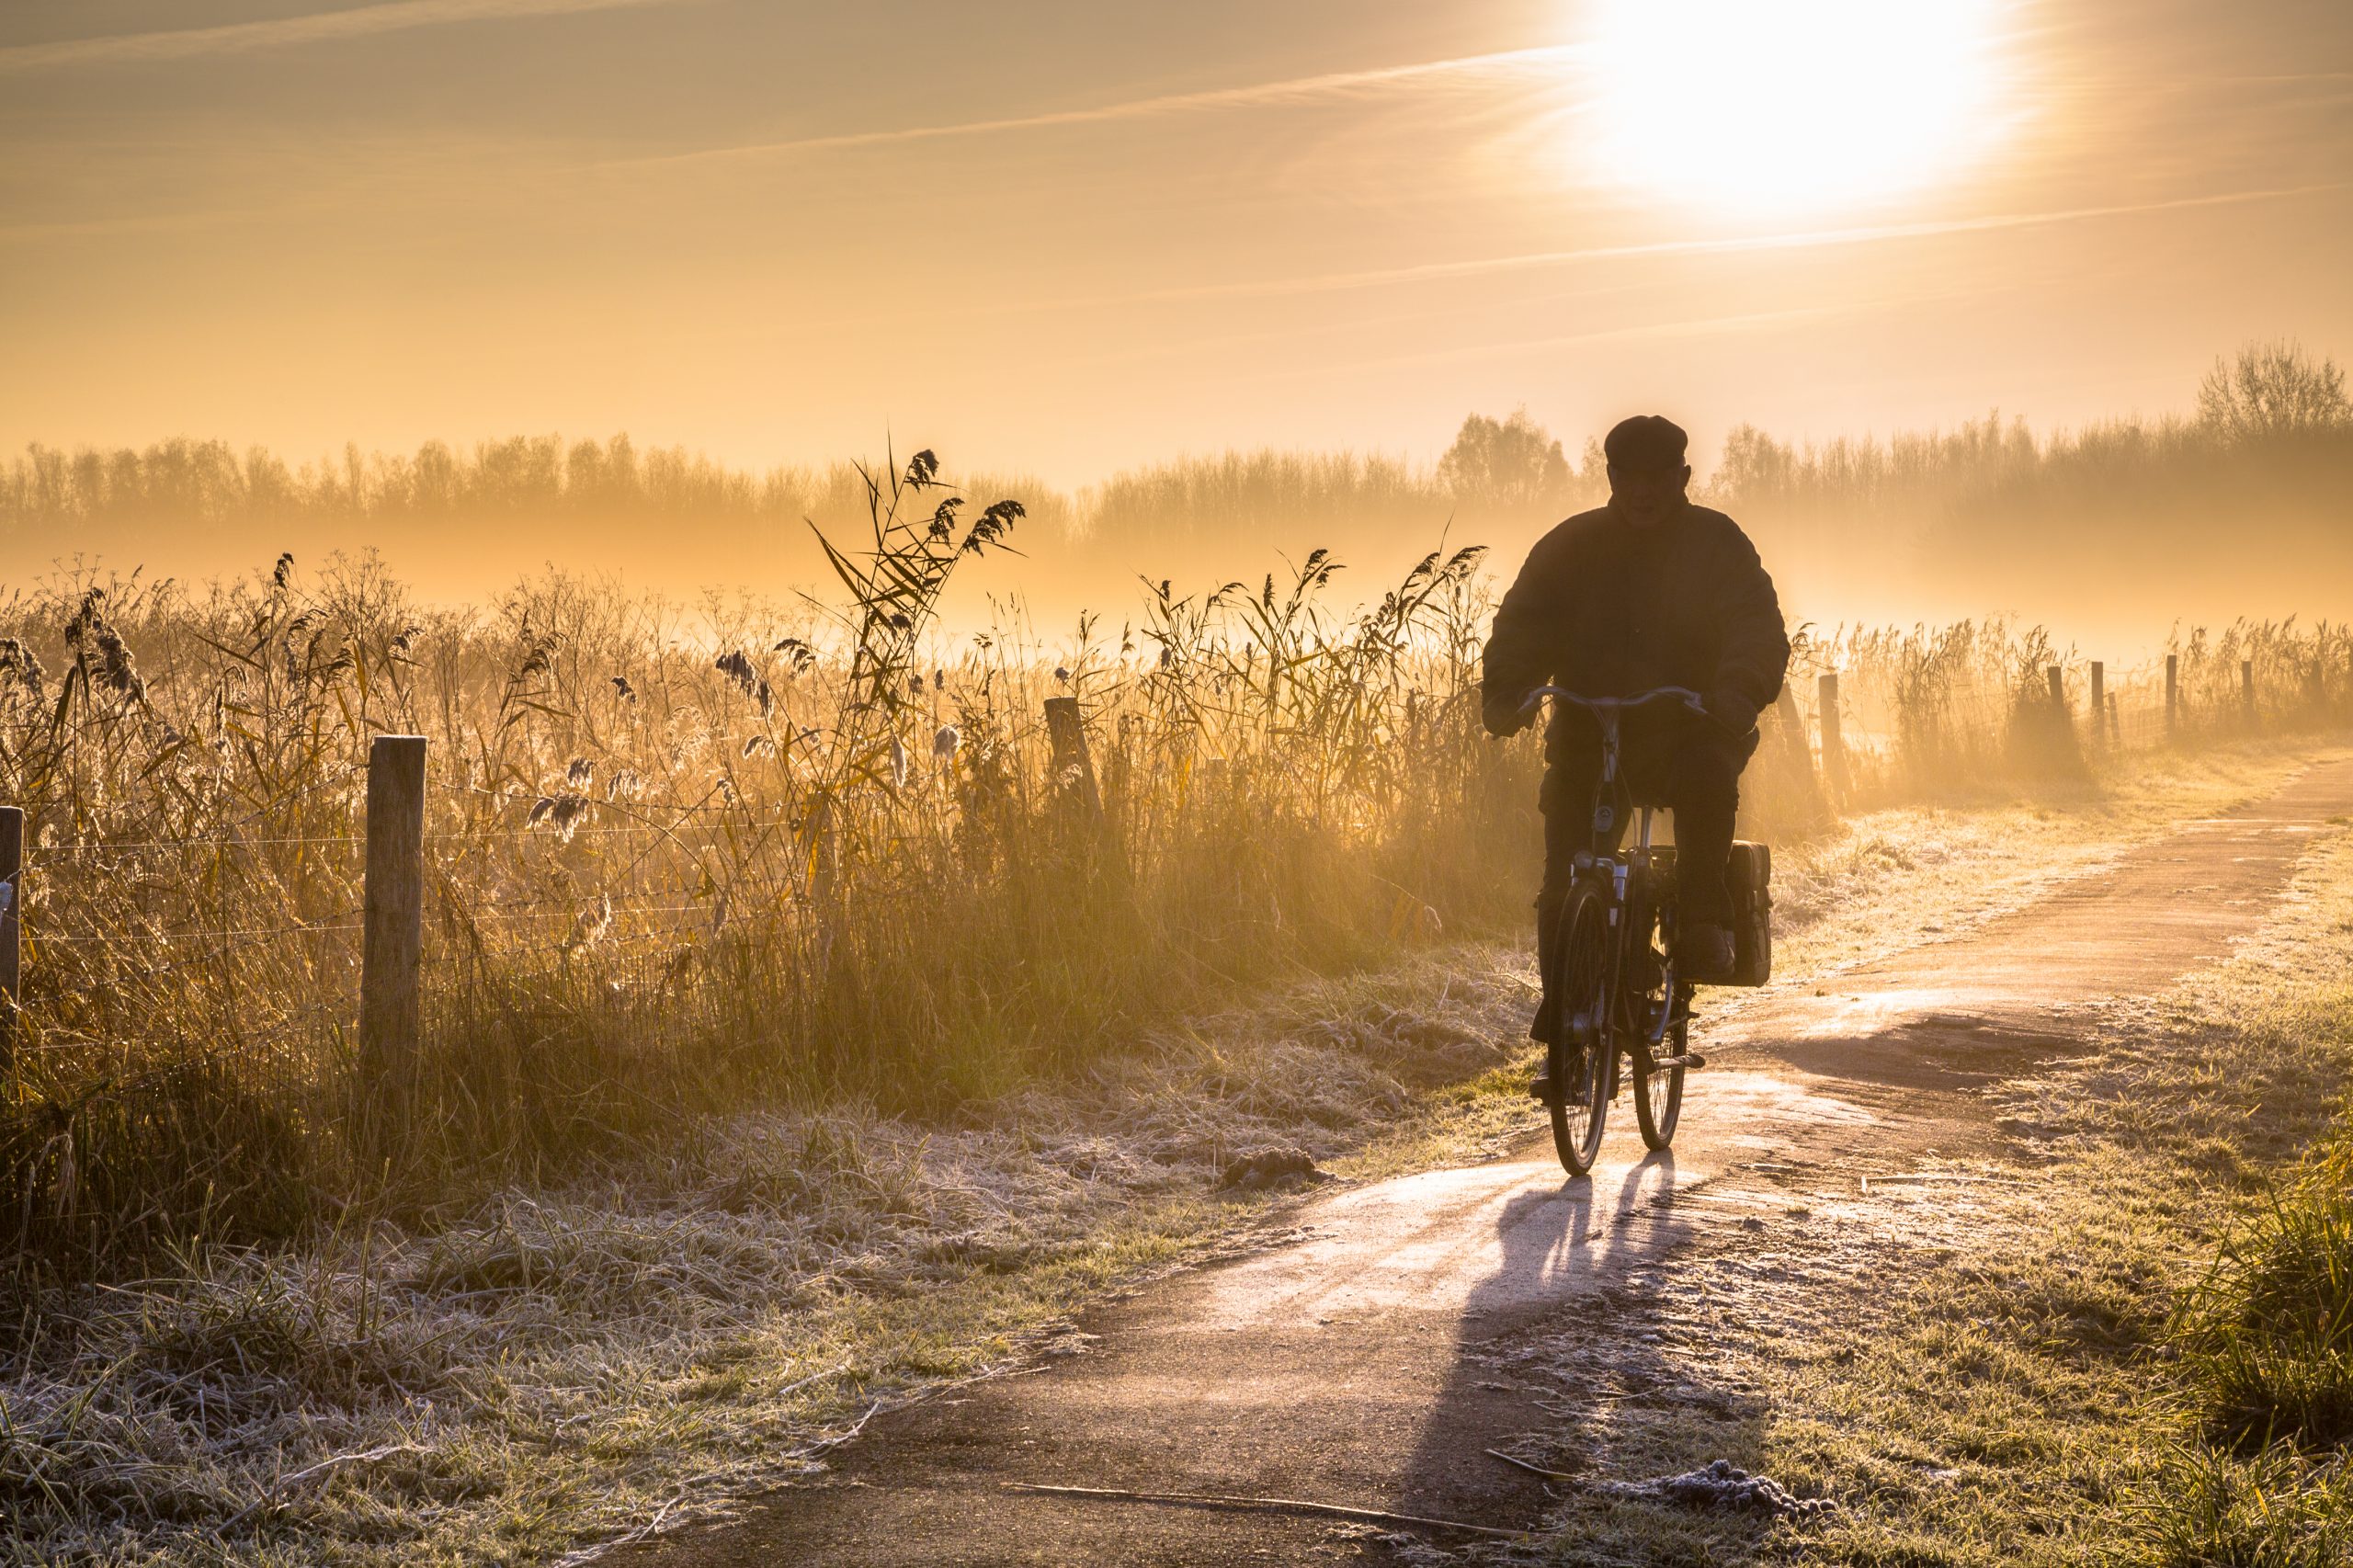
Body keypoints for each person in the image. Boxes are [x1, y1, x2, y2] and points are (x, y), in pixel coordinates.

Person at [1480, 414, 1790, 1031]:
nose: (1643, 490)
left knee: (1706, 779)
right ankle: (1567, 996)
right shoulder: (1570, 547)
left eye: (1658, 478)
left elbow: (1755, 627)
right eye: (1629, 477)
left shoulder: (1717, 544)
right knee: (1565, 867)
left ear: (1683, 477)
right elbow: (1524, 623)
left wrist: (1736, 692)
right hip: (1589, 733)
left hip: (1691, 726)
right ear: (1612, 477)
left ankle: (1702, 920)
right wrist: (1506, 691)